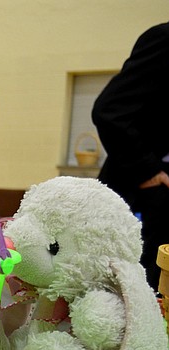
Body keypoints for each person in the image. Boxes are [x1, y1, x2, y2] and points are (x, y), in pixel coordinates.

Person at [92, 21, 169, 291]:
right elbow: (109, 111)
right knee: (133, 287)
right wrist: (147, 170)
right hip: (147, 191)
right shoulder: (165, 39)